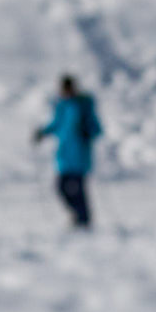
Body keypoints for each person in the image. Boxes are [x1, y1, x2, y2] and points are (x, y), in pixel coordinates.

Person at [37, 73, 100, 229]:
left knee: (78, 190)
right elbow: (56, 124)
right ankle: (78, 215)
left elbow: (96, 128)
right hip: (64, 156)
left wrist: (88, 131)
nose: (65, 91)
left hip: (79, 156)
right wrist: (42, 133)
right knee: (61, 188)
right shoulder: (62, 106)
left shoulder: (83, 106)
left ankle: (83, 219)